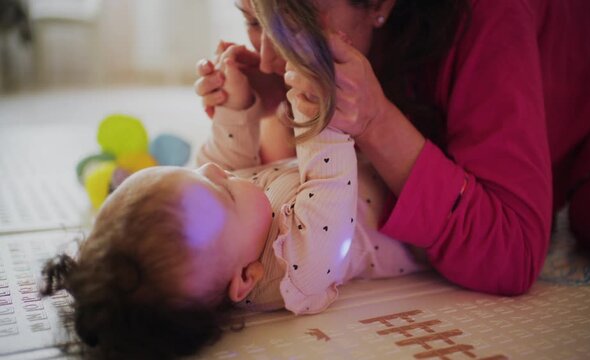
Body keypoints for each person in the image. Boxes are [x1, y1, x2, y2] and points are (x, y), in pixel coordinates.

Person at [39, 2, 423, 357]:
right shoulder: (297, 271)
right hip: (415, 217)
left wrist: (235, 107)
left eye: (191, 175)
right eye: (221, 189)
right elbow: (329, 182)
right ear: (245, 278)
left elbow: (225, 158)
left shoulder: (231, 233)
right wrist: (315, 105)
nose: (214, 170)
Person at [196, 0, 590, 296]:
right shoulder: (350, 33)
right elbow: (280, 173)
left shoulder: (489, 16)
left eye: (295, 23)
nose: (270, 59)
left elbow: (516, 253)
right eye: (254, 20)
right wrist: (270, 97)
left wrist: (377, 121)